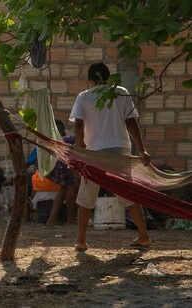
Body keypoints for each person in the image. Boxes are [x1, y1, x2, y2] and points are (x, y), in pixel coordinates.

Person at [69, 62, 151, 252]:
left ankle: (81, 241)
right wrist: (141, 149)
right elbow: (131, 123)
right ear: (107, 78)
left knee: (86, 198)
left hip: (94, 153)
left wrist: (80, 146)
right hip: (120, 152)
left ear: (90, 80)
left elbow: (78, 125)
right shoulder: (120, 92)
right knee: (128, 195)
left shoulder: (84, 96)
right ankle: (144, 237)